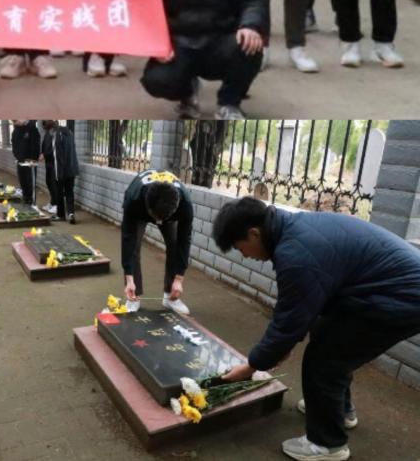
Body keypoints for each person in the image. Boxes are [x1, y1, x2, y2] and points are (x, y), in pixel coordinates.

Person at [212, 196, 420, 461]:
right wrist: (282, 346)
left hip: (403, 298)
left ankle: (327, 444)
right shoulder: (293, 229)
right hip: (382, 289)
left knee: (324, 361)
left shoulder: (296, 254)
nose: (245, 256)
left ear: (254, 233)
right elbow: (303, 308)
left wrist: (252, 366)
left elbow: (287, 322)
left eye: (240, 248)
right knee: (326, 336)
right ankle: (339, 411)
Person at [120, 171, 194, 313]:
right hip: (141, 210)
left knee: (174, 244)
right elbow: (127, 239)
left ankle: (170, 297)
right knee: (134, 246)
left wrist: (179, 278)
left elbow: (184, 241)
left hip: (165, 210)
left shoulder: (185, 204)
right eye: (156, 218)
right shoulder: (133, 199)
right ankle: (133, 296)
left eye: (161, 220)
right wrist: (129, 278)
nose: (158, 222)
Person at [47, 121, 78, 222]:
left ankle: (61, 215)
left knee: (59, 192)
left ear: (51, 129)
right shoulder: (70, 134)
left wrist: (57, 174)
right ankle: (71, 213)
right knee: (69, 192)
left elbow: (57, 157)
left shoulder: (56, 137)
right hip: (71, 169)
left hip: (61, 170)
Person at [11, 120, 41, 205]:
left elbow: (36, 144)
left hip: (30, 162)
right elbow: (14, 144)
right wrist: (17, 156)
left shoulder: (32, 128)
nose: (16, 123)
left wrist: (33, 159)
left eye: (16, 121)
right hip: (20, 161)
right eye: (14, 122)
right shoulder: (15, 130)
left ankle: (32, 202)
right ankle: (25, 199)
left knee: (30, 183)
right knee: (22, 181)